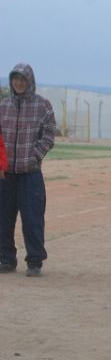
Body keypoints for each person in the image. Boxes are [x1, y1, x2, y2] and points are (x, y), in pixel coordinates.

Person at [0, 63, 56, 277]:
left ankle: (34, 260)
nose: (19, 82)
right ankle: (5, 258)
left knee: (32, 219)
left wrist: (35, 156)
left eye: (23, 79)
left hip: (30, 173)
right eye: (15, 79)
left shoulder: (43, 105)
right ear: (11, 81)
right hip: (5, 175)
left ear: (30, 81)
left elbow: (50, 135)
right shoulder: (3, 105)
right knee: (3, 219)